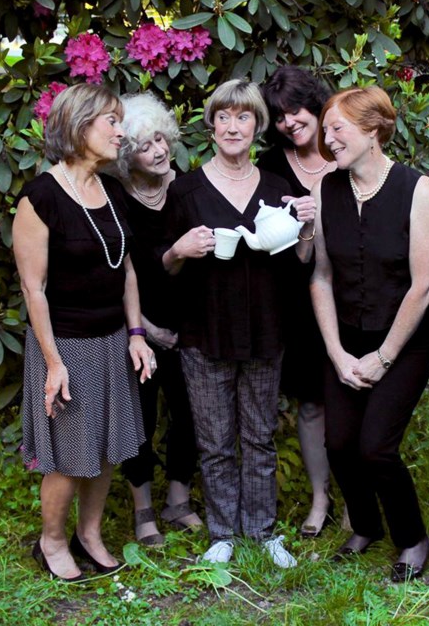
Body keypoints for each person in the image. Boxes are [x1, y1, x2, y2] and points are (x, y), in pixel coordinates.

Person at [160, 79, 317, 567]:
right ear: (211, 125)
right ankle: (223, 531)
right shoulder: (184, 189)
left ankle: (263, 531)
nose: (233, 126)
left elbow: (301, 258)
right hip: (204, 333)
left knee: (259, 435)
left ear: (258, 126)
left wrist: (307, 226)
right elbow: (163, 266)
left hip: (268, 330)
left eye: (244, 117)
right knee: (215, 440)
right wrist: (177, 251)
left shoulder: (277, 186)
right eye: (224, 116)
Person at [14, 83, 156, 581]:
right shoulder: (40, 197)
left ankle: (89, 533)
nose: (123, 131)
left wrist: (136, 333)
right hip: (67, 345)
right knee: (71, 455)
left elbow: (128, 271)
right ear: (78, 126)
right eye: (111, 122)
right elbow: (35, 291)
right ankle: (51, 540)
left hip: (113, 338)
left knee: (110, 446)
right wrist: (54, 363)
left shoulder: (113, 190)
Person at [309, 86, 429, 582]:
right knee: (340, 444)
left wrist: (383, 357)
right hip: (344, 337)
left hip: (405, 339)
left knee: (375, 448)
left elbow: (423, 285)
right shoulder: (327, 189)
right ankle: (365, 527)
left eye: (337, 128)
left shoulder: (417, 190)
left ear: (373, 130)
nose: (328, 138)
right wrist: (338, 354)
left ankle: (413, 538)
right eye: (325, 129)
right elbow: (321, 275)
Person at [110, 92, 204, 547]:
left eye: (162, 139)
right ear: (128, 155)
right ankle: (143, 507)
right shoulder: (115, 199)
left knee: (190, 416)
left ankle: (179, 499)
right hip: (137, 327)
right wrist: (142, 327)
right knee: (140, 419)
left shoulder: (186, 187)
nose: (160, 150)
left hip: (188, 325)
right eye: (146, 146)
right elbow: (117, 270)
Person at [258, 66, 339, 538]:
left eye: (296, 110)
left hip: (357, 296)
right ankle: (320, 498)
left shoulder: (346, 148)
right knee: (311, 404)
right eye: (280, 117)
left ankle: (358, 499)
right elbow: (271, 245)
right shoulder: (272, 166)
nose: (290, 122)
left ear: (314, 103)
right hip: (299, 297)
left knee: (357, 401)